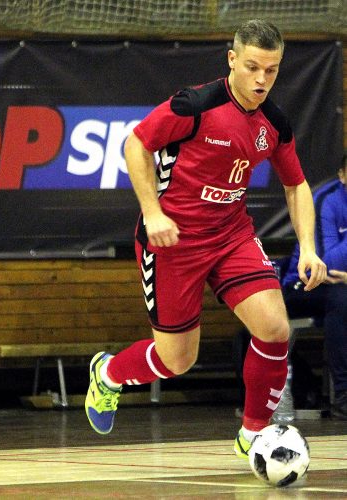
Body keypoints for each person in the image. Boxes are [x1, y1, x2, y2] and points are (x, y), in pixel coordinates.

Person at [84, 19, 327, 458]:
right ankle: (109, 374)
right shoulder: (195, 105)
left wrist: (308, 246)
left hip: (231, 235)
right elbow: (136, 145)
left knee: (274, 327)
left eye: (271, 71)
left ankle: (253, 434)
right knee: (177, 360)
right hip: (173, 241)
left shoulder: (274, 121)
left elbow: (296, 185)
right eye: (252, 67)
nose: (261, 80)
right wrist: (153, 212)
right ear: (232, 60)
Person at [281, 154, 347, 419]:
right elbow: (326, 263)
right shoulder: (326, 201)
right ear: (342, 176)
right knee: (342, 297)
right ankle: (343, 394)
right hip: (303, 284)